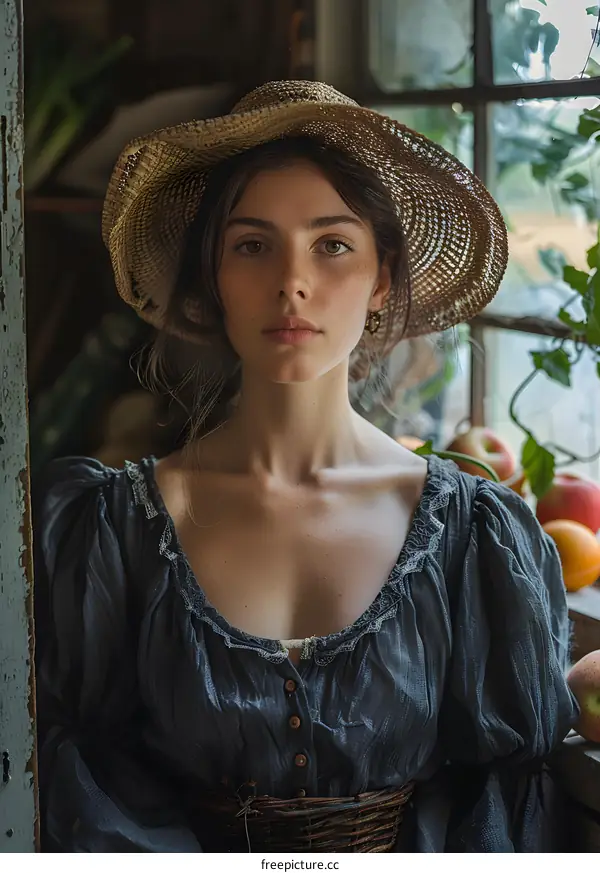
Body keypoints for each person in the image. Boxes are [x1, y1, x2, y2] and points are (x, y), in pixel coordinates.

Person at [34, 80, 578, 853]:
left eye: (332, 245)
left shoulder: (473, 532)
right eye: (252, 245)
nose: (292, 282)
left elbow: (504, 802)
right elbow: (80, 788)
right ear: (212, 279)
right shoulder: (113, 527)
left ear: (382, 277)